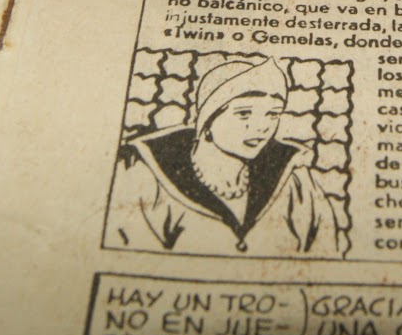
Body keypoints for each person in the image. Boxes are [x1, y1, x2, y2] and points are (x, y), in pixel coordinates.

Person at [107, 58, 342, 256]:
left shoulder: (295, 183)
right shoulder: (146, 179)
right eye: (244, 113)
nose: (262, 127)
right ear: (207, 120)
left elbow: (326, 252)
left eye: (273, 114)